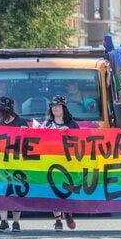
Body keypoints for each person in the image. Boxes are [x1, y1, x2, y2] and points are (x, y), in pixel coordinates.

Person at [39, 95, 80, 230]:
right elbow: (38, 139)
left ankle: (68, 212)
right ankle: (58, 220)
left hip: (68, 162)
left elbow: (80, 141)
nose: (55, 108)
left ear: (64, 108)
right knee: (53, 190)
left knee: (67, 189)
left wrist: (68, 132)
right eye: (52, 105)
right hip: (51, 162)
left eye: (57, 105)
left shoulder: (72, 124)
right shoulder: (47, 124)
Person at [0, 96, 30, 232]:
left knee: (16, 192)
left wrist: (26, 132)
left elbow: (28, 143)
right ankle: (4, 221)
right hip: (2, 163)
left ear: (3, 110)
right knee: (3, 191)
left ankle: (16, 222)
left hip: (18, 163)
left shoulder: (21, 122)